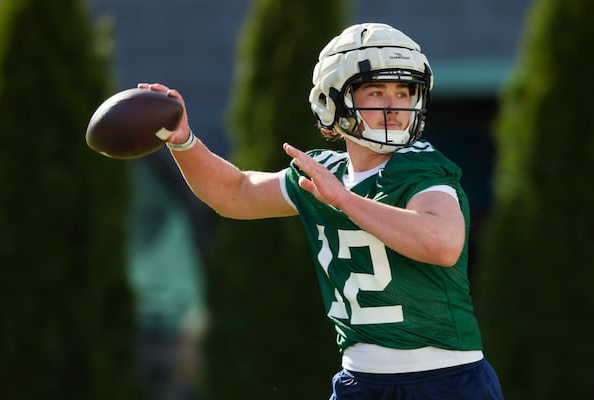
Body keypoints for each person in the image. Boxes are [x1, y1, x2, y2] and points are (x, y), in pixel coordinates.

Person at [138, 22, 503, 400]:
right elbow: (236, 193)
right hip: (360, 383)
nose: (395, 107)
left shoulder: (421, 168)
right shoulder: (324, 174)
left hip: (444, 381)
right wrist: (183, 142)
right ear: (332, 101)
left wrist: (344, 200)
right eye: (377, 92)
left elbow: (443, 243)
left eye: (404, 91)